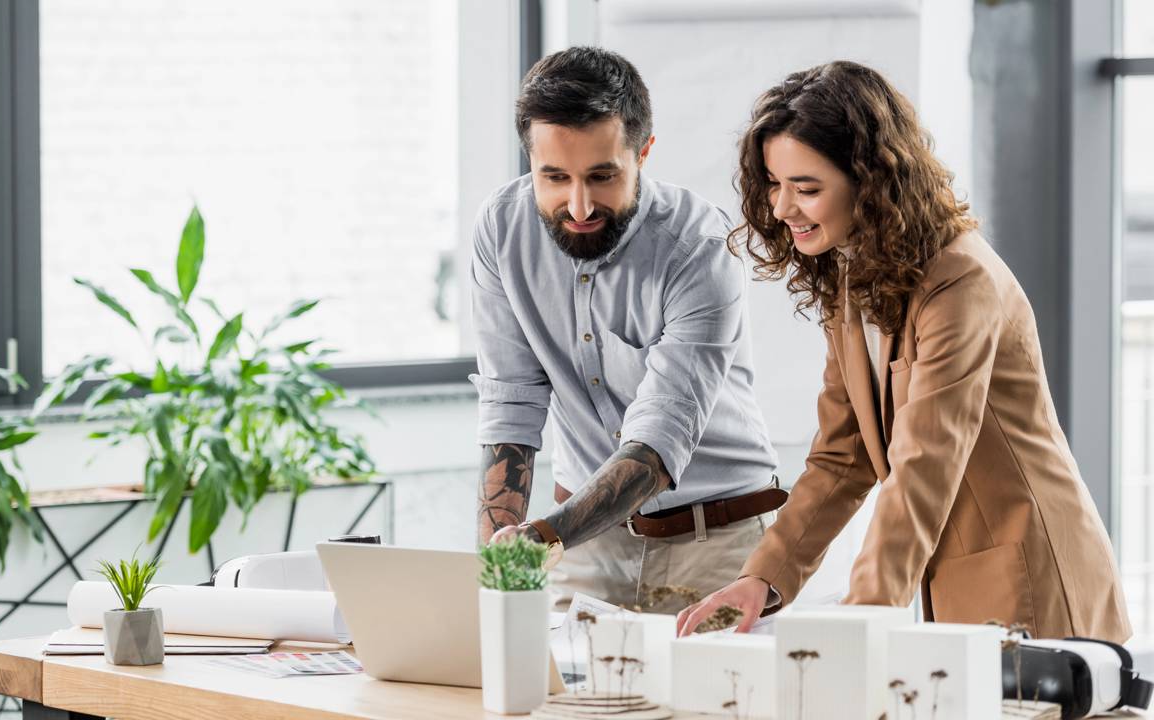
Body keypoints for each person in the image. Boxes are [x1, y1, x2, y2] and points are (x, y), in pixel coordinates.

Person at [676, 61, 1131, 642]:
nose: (783, 208)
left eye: (807, 188)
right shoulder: (851, 276)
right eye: (774, 183)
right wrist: (761, 580)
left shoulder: (959, 280)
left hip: (1031, 579)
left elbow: (924, 464)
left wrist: (861, 620)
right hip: (952, 579)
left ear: (870, 182)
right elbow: (842, 458)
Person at [473, 46, 781, 612]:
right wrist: (496, 555)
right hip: (582, 548)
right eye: (555, 177)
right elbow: (511, 399)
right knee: (563, 702)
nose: (580, 204)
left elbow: (660, 436)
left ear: (644, 153)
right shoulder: (501, 230)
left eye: (602, 175)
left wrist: (540, 538)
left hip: (716, 545)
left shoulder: (699, 245)